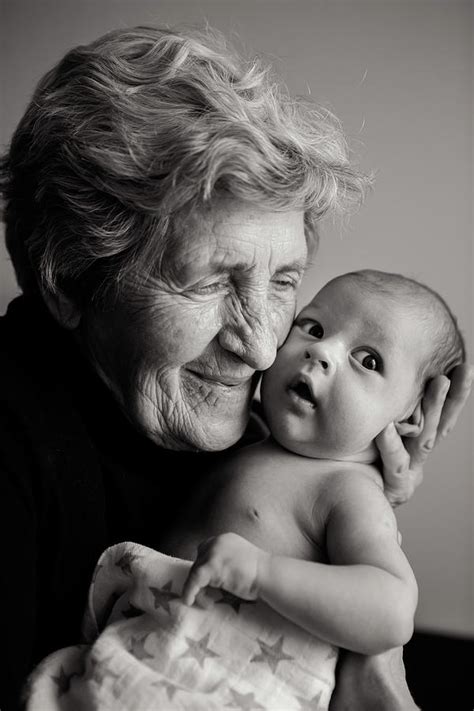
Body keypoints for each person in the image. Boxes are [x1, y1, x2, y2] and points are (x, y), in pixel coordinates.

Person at [0, 25, 471, 711]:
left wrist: (360, 477)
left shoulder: (261, 427)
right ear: (71, 282)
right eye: (212, 283)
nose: (260, 349)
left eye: (283, 282)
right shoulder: (13, 448)